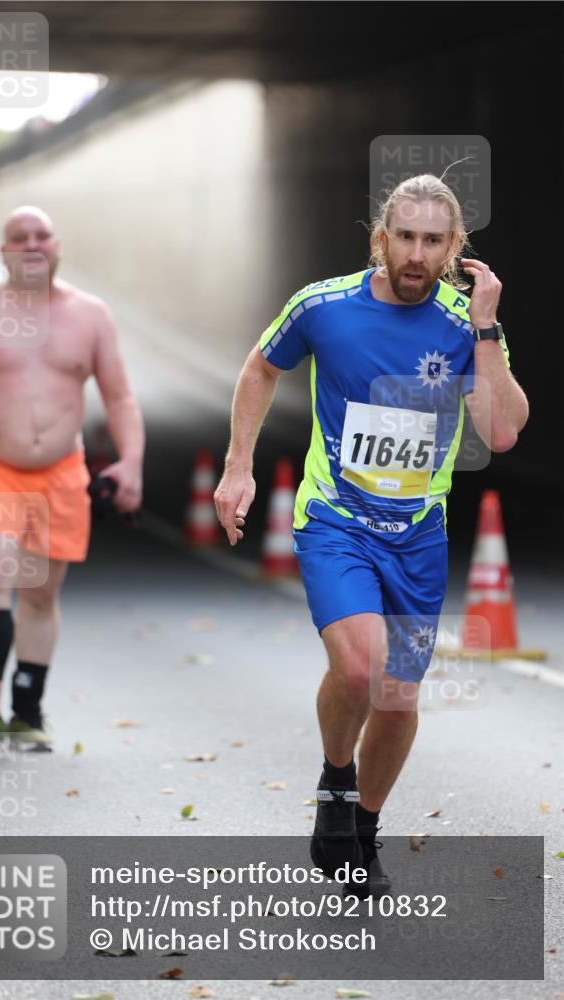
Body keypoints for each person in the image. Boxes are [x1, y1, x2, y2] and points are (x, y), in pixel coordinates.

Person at [214, 173, 528, 896]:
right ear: (379, 239)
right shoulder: (323, 305)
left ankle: (362, 829)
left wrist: (485, 326)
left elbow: (502, 430)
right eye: (404, 237)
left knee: (396, 697)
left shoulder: (462, 325)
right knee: (357, 668)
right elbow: (260, 368)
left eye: (432, 241)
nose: (415, 254)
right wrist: (238, 467)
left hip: (417, 533)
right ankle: (335, 783)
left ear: (453, 249)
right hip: (336, 519)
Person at [0, 206, 144, 755]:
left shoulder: (90, 315)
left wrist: (131, 460)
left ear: (57, 245)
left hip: (61, 471)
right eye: (20, 238)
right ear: (3, 251)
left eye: (42, 235)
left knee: (40, 592)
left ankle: (27, 710)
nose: (32, 244)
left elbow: (118, 395)